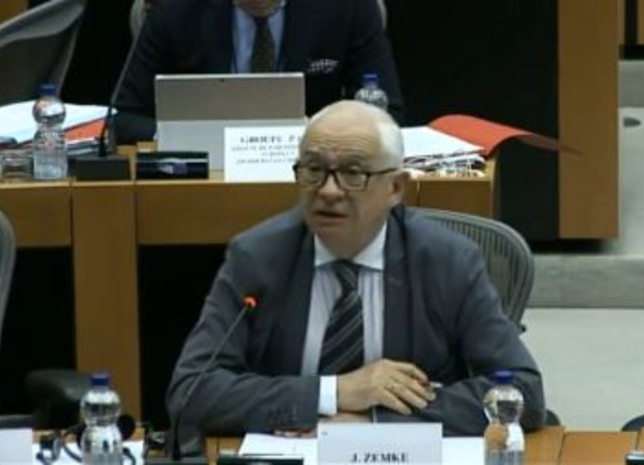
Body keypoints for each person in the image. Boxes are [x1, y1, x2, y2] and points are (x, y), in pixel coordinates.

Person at [166, 100, 545, 452]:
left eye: (353, 173)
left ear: (395, 187)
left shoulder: (447, 262)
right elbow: (190, 392)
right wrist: (335, 392)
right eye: (314, 170)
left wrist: (375, 421)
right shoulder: (258, 257)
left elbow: (522, 394)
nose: (329, 191)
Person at [115, 0, 403, 144]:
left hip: (312, 169)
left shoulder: (348, 6)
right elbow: (126, 119)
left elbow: (388, 111)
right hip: (204, 174)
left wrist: (320, 135)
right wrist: (193, 138)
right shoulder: (174, 9)